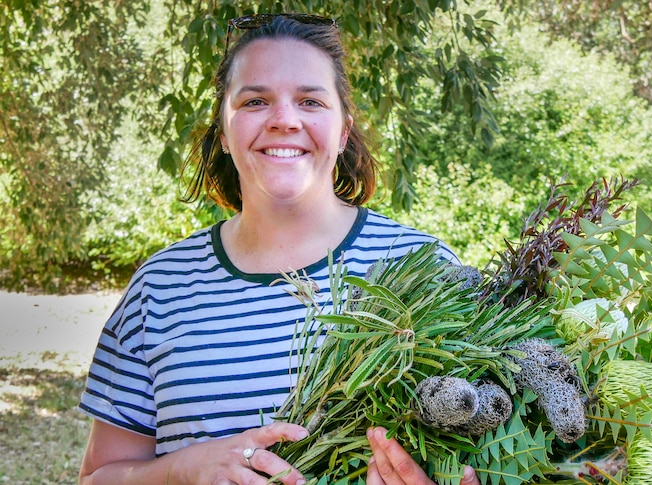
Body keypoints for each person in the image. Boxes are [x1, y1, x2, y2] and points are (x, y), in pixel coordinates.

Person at [77, 13, 480, 485]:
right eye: (255, 101)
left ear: (343, 130)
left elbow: (490, 457)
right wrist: (182, 470)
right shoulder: (159, 287)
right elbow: (96, 477)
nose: (285, 120)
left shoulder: (428, 271)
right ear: (224, 133)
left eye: (310, 100)